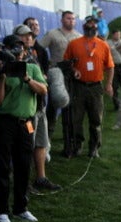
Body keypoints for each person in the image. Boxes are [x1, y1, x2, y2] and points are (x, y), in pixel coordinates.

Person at [0, 35, 48, 222]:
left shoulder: (32, 68)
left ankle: (21, 207)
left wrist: (27, 78)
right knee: (2, 166)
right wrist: (3, 75)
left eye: (21, 48)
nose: (18, 52)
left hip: (26, 123)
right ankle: (1, 210)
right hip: (4, 123)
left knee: (23, 164)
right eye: (14, 48)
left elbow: (43, 90)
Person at [14, 22, 61, 192]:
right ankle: (24, 182)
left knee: (41, 143)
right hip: (28, 111)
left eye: (31, 35)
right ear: (16, 39)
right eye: (24, 35)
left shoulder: (33, 55)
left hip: (40, 107)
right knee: (27, 146)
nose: (29, 37)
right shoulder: (17, 58)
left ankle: (40, 178)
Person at [63, 15, 114, 158]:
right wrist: (74, 70)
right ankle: (77, 146)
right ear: (84, 25)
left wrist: (109, 84)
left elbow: (110, 67)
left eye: (94, 23)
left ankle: (94, 148)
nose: (91, 26)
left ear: (97, 27)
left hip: (96, 87)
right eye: (89, 23)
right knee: (76, 119)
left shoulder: (103, 45)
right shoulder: (74, 43)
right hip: (78, 86)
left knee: (96, 119)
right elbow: (66, 63)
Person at [38, 10, 81, 156]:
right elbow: (38, 49)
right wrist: (45, 68)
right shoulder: (52, 34)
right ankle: (45, 146)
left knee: (69, 112)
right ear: (62, 20)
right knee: (51, 110)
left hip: (71, 76)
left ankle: (68, 147)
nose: (71, 21)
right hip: (56, 73)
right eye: (68, 18)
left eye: (73, 19)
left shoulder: (78, 36)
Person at [107, 29, 121, 110]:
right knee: (114, 86)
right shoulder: (108, 43)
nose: (119, 36)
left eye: (120, 34)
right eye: (117, 34)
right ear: (113, 35)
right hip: (113, 67)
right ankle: (116, 105)